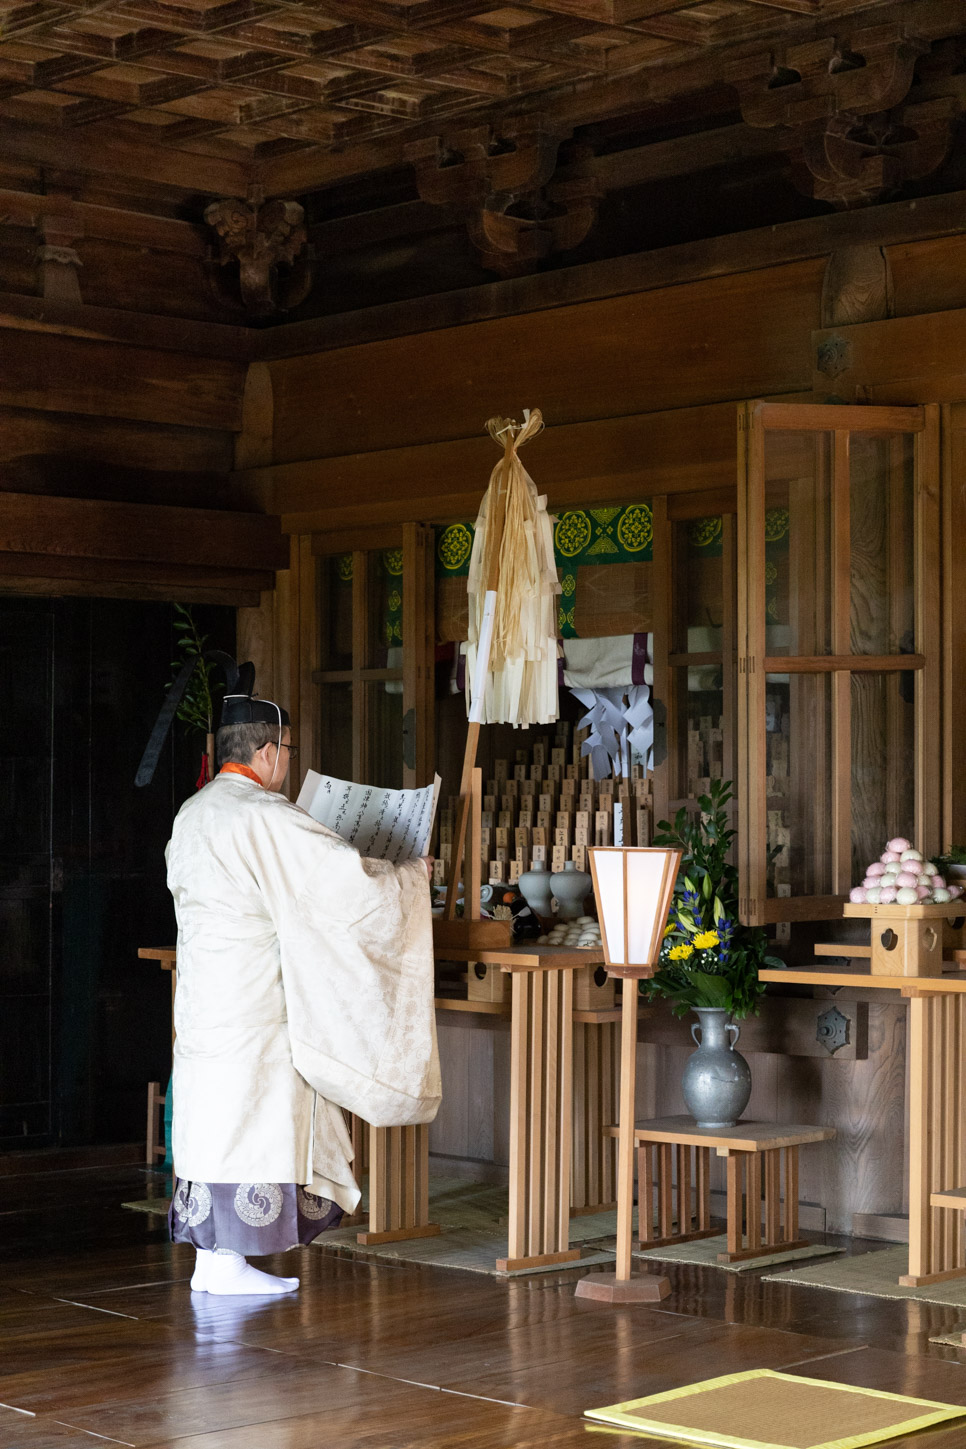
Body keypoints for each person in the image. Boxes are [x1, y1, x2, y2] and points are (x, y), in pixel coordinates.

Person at [164, 676, 439, 1296]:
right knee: (254, 1118)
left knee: (217, 1119)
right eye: (286, 749)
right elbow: (345, 885)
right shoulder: (264, 817)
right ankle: (225, 1262)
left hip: (207, 997)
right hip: (257, 998)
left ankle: (215, 1260)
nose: (288, 761)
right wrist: (409, 875)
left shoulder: (194, 812)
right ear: (267, 752)